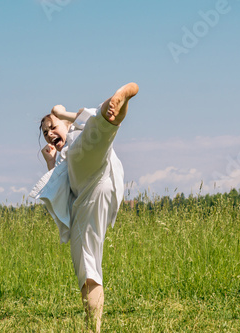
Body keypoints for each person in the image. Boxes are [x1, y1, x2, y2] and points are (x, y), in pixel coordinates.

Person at [30, 82, 139, 332]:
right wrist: (50, 161)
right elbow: (63, 192)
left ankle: (93, 328)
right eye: (45, 133)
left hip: (90, 170)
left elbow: (77, 115)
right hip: (101, 182)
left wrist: (60, 113)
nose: (48, 134)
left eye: (52, 128)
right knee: (104, 127)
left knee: (87, 264)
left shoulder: (74, 131)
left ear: (65, 125)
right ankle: (123, 101)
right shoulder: (68, 145)